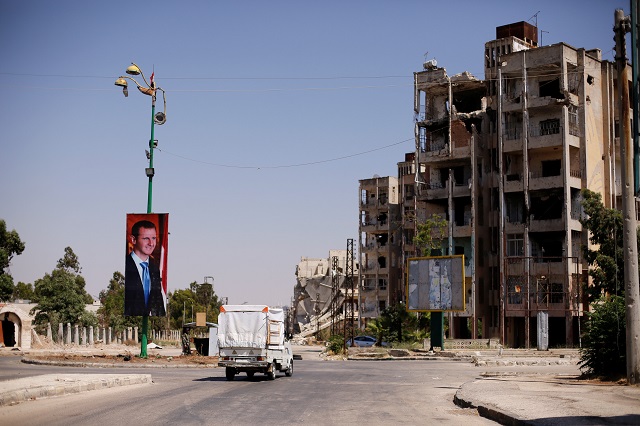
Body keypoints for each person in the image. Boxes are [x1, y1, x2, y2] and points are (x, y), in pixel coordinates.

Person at [125, 220, 166, 316]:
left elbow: (158, 304)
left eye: (154, 238)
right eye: (146, 238)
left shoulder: (155, 269)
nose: (151, 243)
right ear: (133, 240)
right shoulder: (126, 266)